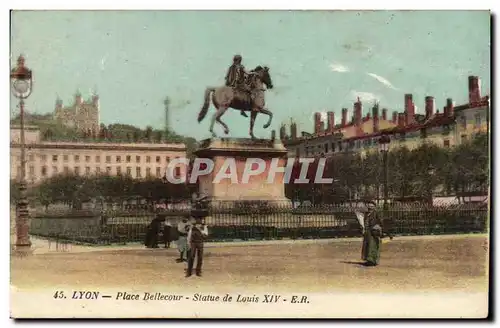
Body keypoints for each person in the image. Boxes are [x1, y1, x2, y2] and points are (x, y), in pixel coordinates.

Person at [361, 201, 391, 266]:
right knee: (367, 246)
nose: (370, 208)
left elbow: (380, 221)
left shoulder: (376, 213)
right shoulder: (366, 214)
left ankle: (373, 261)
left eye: (372, 206)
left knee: (373, 246)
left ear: (374, 207)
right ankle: (368, 260)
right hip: (367, 232)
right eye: (369, 206)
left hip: (374, 232)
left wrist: (381, 229)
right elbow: (365, 222)